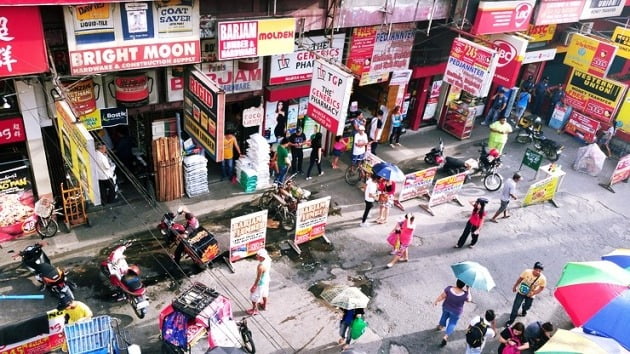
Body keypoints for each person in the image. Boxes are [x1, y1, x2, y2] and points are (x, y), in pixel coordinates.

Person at [506, 262, 547, 327]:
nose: (538, 272)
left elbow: (542, 288)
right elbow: (520, 279)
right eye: (536, 270)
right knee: (515, 307)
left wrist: (533, 293)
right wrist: (515, 286)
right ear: (533, 268)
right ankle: (511, 320)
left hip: (530, 294)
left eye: (540, 271)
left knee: (527, 306)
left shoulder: (543, 279)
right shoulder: (527, 272)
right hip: (521, 291)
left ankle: (524, 308)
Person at [434, 279, 471, 347]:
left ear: (456, 283)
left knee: (444, 316)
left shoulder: (449, 288)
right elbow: (469, 300)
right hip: (456, 312)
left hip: (446, 307)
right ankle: (446, 336)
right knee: (452, 323)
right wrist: (468, 289)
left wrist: (436, 301)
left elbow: (442, 296)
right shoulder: (465, 294)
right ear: (463, 286)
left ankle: (440, 326)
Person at [247, 248, 271, 315]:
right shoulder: (268, 260)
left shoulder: (260, 266)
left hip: (261, 283)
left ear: (261, 257)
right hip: (266, 280)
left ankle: (254, 310)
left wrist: (254, 286)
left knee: (254, 296)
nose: (256, 256)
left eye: (258, 256)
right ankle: (264, 305)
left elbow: (258, 278)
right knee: (265, 293)